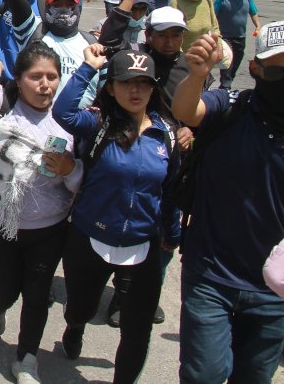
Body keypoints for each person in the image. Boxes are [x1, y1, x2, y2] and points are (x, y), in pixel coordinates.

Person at [52, 47, 179, 383]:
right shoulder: (97, 122)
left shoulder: (166, 134)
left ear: (153, 87)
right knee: (82, 307)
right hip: (89, 238)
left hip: (142, 245)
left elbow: (171, 189)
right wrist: (87, 68)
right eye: (126, 82)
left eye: (143, 83)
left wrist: (172, 231)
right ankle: (74, 326)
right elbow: (63, 113)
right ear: (111, 87)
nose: (135, 90)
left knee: (137, 331)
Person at [0, 44, 81, 384]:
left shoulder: (68, 121)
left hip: (49, 228)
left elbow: (78, 185)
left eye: (52, 77)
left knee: (38, 295)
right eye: (35, 77)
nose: (45, 85)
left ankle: (26, 358)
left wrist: (71, 169)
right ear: (20, 79)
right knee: (5, 291)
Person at [172, 29, 284, 384]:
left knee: (254, 377)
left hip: (274, 291)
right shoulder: (233, 106)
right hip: (211, 275)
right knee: (203, 374)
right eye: (277, 71)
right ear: (255, 68)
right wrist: (197, 75)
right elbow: (186, 109)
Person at [213, 0, 260, 89]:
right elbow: (213, 15)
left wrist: (258, 26)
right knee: (227, 63)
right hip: (224, 37)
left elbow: (253, 13)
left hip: (240, 37)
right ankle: (226, 88)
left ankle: (225, 84)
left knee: (234, 66)